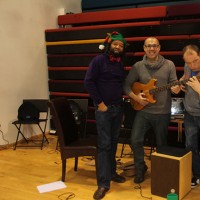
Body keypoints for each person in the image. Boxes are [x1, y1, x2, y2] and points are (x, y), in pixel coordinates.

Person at [123, 37, 180, 184]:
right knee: (135, 140)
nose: (152, 49)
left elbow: (174, 85)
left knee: (161, 143)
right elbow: (127, 85)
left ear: (159, 48)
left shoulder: (169, 65)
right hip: (143, 111)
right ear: (144, 48)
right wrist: (136, 97)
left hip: (162, 112)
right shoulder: (138, 66)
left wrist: (176, 88)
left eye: (154, 46)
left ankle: (161, 171)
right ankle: (140, 168)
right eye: (148, 46)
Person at [84, 31, 127, 200]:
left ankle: (112, 172)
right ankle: (103, 183)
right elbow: (88, 82)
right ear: (109, 45)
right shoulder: (98, 60)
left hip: (118, 109)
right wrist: (100, 103)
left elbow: (120, 84)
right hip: (104, 110)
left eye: (121, 45)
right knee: (104, 145)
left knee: (114, 142)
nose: (118, 47)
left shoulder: (120, 63)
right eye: (115, 44)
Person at [179, 44, 200, 188]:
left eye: (196, 61)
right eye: (188, 62)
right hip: (190, 113)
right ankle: (197, 175)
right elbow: (185, 77)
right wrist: (181, 84)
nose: (192, 65)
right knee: (190, 146)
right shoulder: (188, 67)